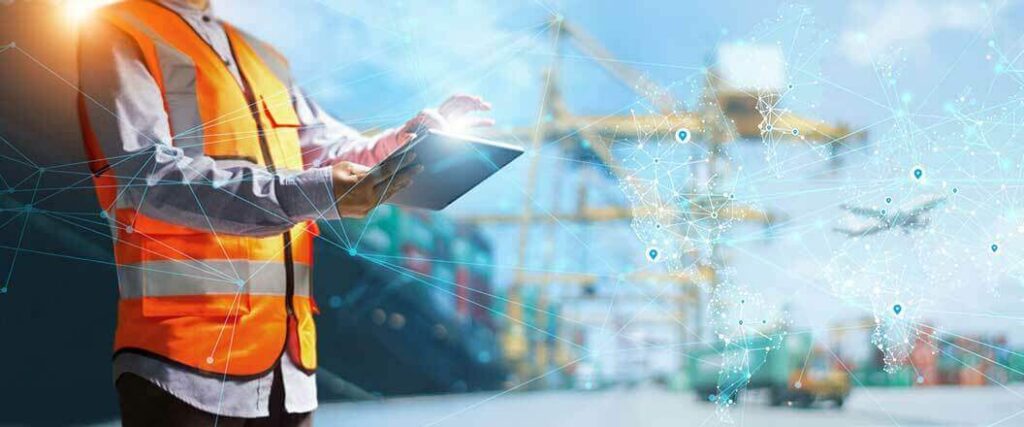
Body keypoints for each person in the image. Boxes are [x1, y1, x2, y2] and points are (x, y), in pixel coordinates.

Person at [76, 0, 493, 425]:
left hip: (286, 366)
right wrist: (315, 192)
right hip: (182, 361)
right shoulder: (122, 32)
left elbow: (326, 150)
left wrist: (405, 143)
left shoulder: (263, 57)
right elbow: (147, 176)